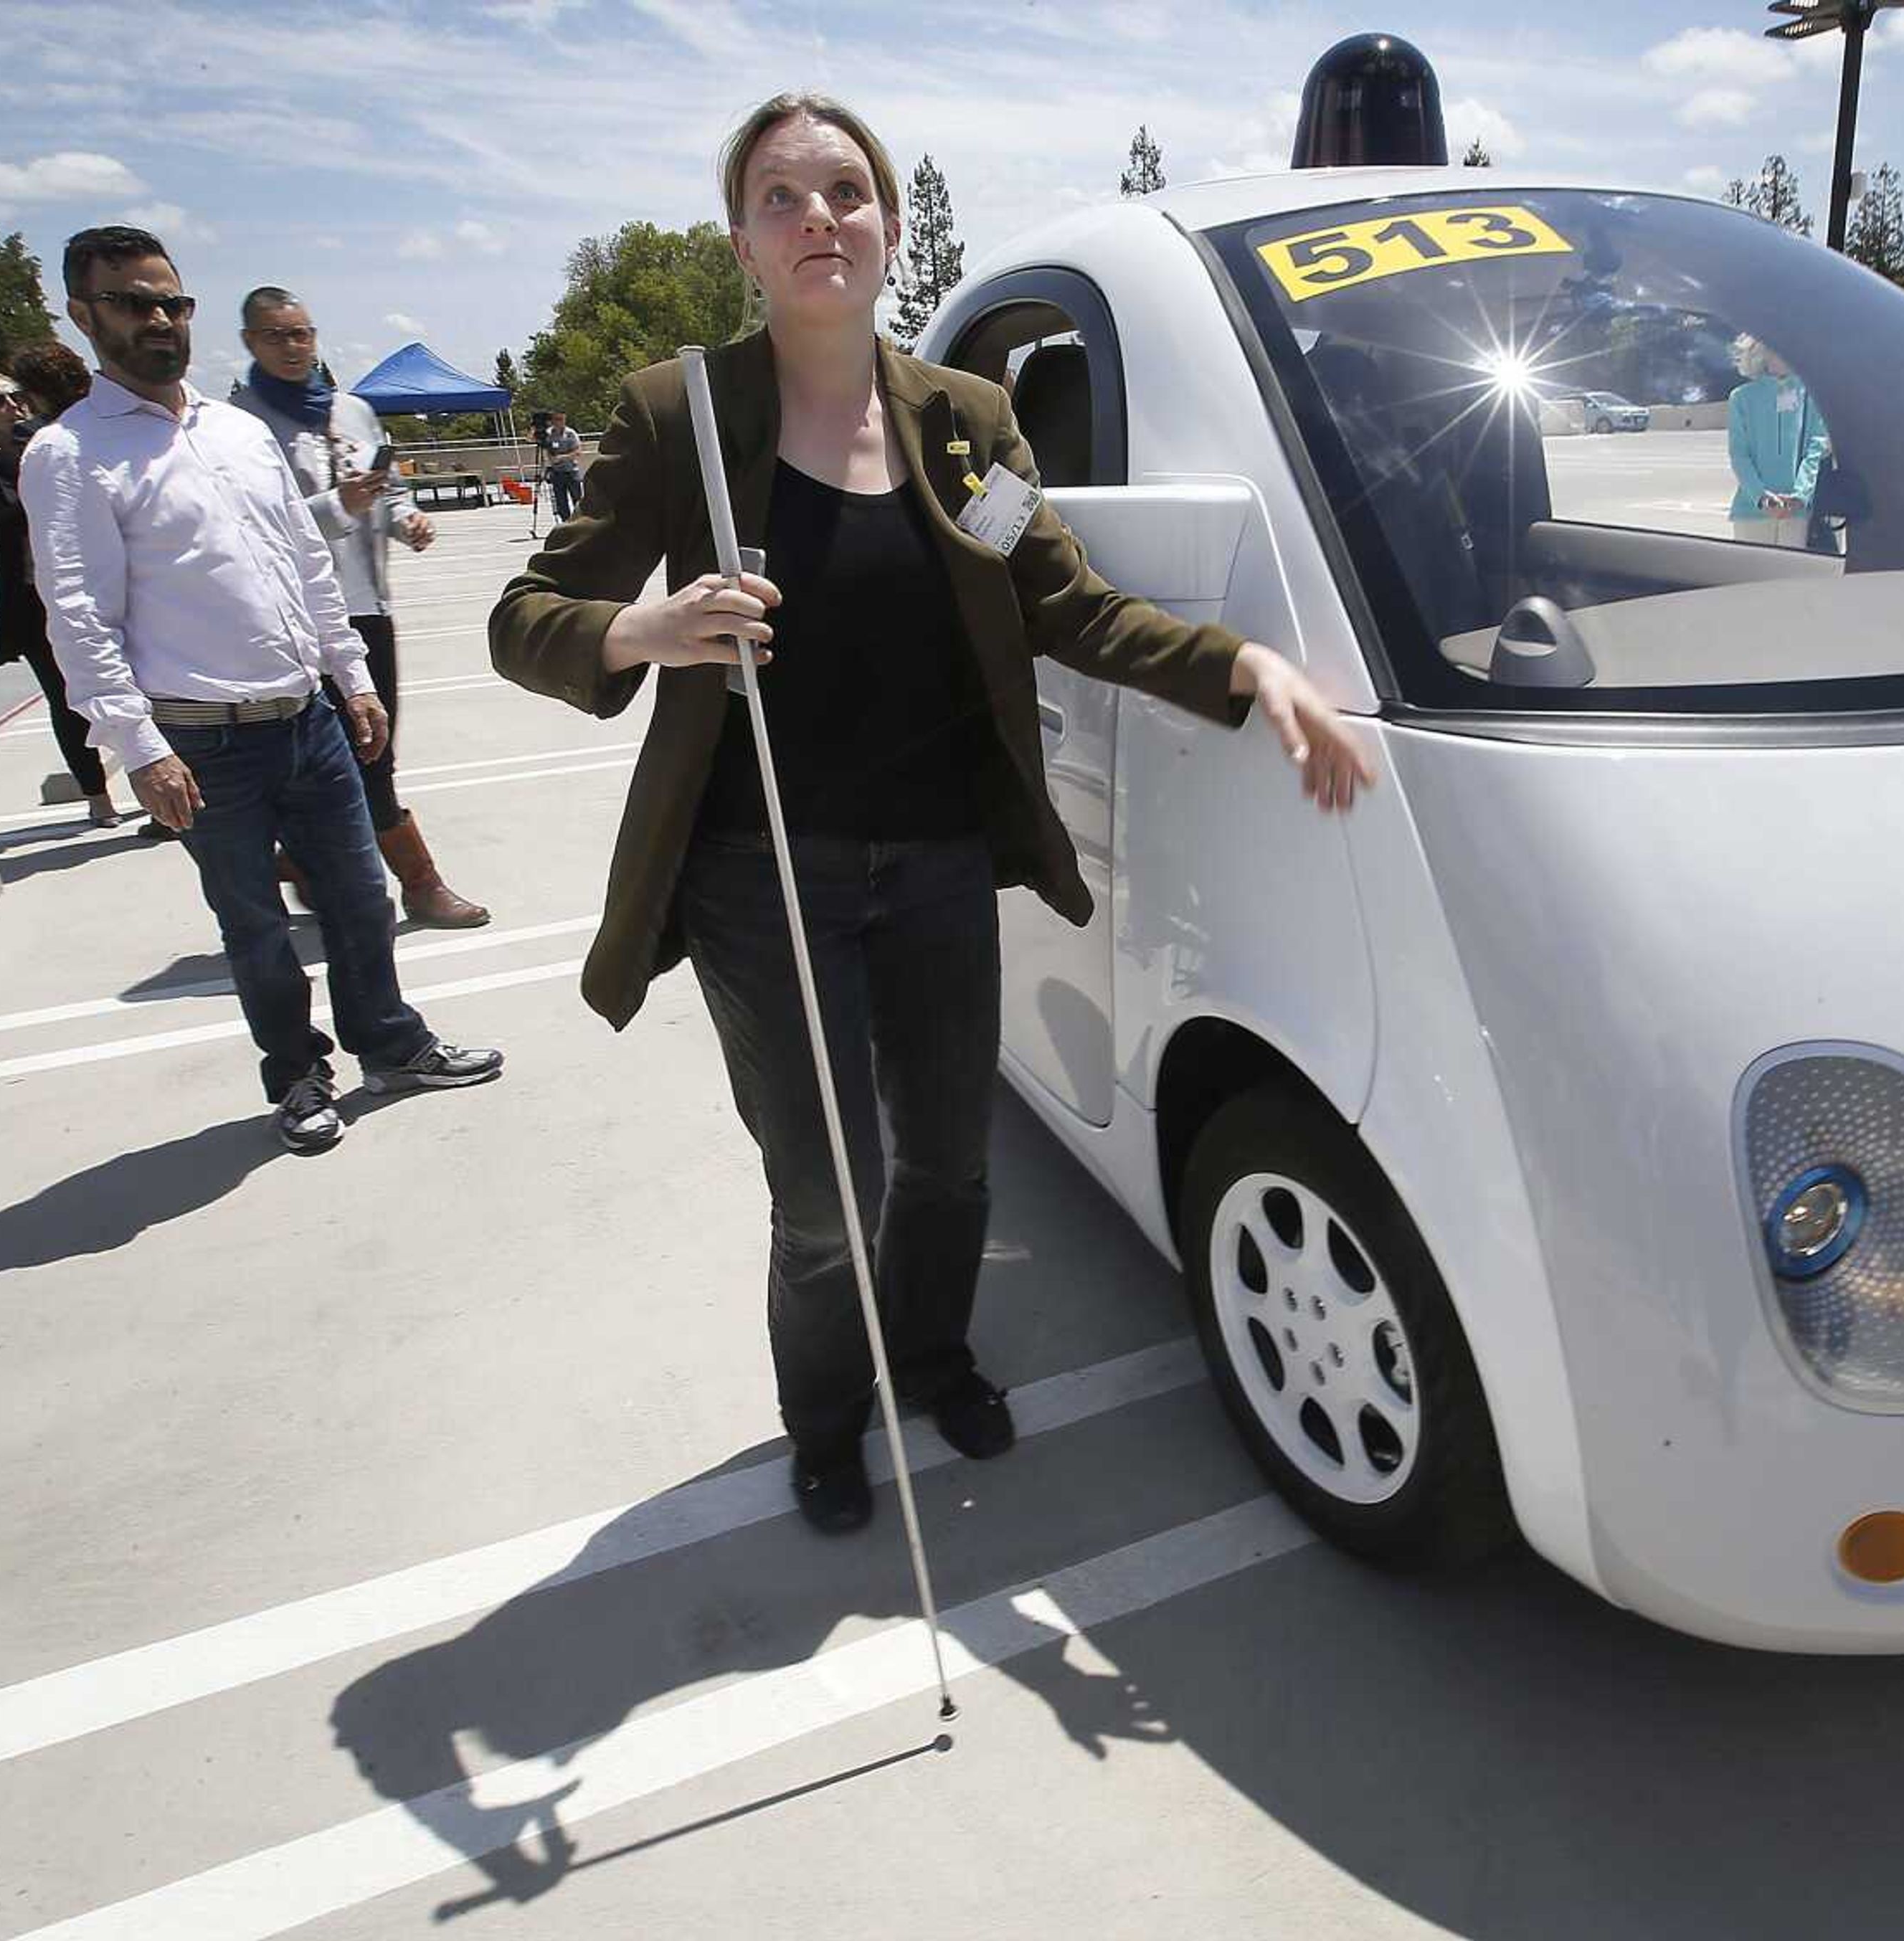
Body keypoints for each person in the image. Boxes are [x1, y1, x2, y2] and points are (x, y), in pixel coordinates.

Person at [491, 94, 1375, 1533]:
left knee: (950, 1159)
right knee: (826, 1192)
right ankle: (828, 1413)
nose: (818, 217)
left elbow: (1068, 602)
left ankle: (936, 1355)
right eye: (782, 198)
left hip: (937, 864)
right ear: (744, 241)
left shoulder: (968, 424)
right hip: (754, 870)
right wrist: (647, 632)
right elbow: (525, 616)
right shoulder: (683, 418)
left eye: (845, 191)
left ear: (891, 227)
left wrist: (1245, 665)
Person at [22, 223, 503, 1153]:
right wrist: (141, 747)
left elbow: (304, 569)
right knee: (255, 926)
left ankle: (390, 1043)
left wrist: (350, 678)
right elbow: (78, 614)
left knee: (361, 897)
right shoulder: (72, 454)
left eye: (172, 301)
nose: (158, 320)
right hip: (204, 741)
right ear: (84, 316)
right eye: (131, 301)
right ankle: (298, 1076)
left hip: (308, 715)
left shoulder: (238, 434)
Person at [232, 286, 491, 927]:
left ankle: (304, 862)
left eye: (302, 334)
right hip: (292, 617)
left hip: (367, 609)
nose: (293, 348)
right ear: (250, 343)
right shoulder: (241, 425)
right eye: (276, 336)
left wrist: (405, 519)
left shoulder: (352, 412)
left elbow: (389, 486)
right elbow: (252, 526)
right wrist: (335, 508)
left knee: (373, 747)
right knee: (338, 757)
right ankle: (418, 882)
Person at [0, 370, 119, 828]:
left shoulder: (48, 445)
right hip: (31, 600)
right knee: (66, 699)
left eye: (16, 396)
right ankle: (97, 795)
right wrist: (22, 477)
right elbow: (0, 522)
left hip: (89, 587)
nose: (12, 406)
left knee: (133, 682)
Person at [1725, 333, 1828, 549]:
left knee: (1791, 579)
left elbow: (1816, 449)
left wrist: (1801, 496)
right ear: (1761, 351)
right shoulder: (1741, 398)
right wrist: (1762, 497)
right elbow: (1740, 455)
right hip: (1750, 511)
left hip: (1796, 512)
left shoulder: (1811, 395)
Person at [534, 412, 583, 522]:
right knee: (561, 502)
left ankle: (579, 521)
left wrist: (562, 457)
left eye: (561, 419)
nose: (559, 422)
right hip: (557, 472)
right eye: (556, 419)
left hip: (571, 471)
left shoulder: (570, 433)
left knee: (577, 499)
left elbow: (578, 452)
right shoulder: (548, 433)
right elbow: (532, 439)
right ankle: (566, 522)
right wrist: (534, 429)